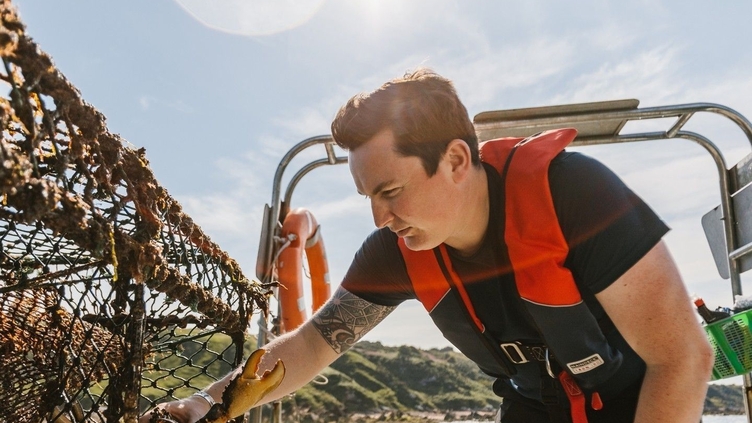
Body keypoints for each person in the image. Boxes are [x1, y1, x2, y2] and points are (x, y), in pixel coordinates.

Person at [141, 68, 714, 423]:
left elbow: (683, 358)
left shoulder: (577, 196)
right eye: (367, 196)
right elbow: (312, 346)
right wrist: (205, 403)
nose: (380, 217)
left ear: (457, 160)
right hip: (532, 409)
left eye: (390, 190)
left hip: (636, 406)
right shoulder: (395, 252)